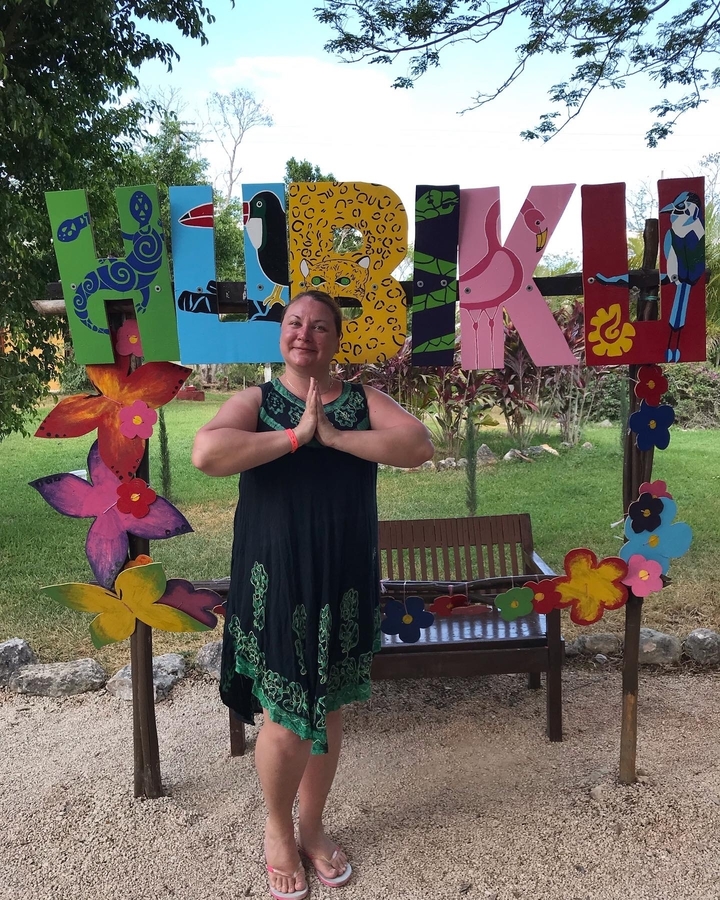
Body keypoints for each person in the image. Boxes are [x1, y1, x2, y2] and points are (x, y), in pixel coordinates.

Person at [192, 290, 434, 900]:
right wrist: (297, 437)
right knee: (285, 719)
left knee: (327, 711)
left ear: (336, 339)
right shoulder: (257, 401)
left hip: (342, 579)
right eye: (295, 322)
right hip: (276, 580)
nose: (305, 333)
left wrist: (333, 435)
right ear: (282, 333)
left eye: (320, 326)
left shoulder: (362, 401)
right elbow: (207, 454)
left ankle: (313, 824)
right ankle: (278, 829)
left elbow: (417, 446)